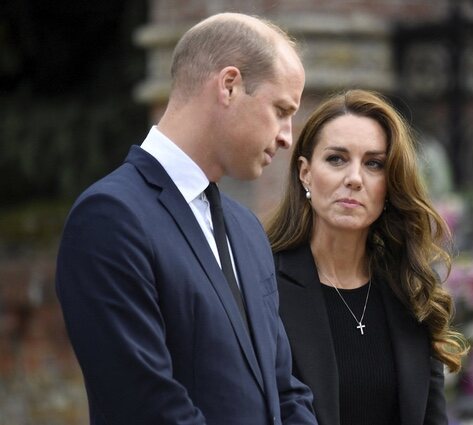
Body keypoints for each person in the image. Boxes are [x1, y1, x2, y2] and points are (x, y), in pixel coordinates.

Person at [55, 13, 316, 425]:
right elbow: (145, 406)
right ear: (229, 85)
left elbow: (285, 389)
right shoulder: (110, 218)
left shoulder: (247, 229)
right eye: (281, 110)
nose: (287, 136)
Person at [265, 89, 469, 425]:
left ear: (389, 185)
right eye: (336, 159)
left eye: (374, 164)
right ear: (305, 173)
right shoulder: (264, 283)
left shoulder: (410, 287)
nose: (354, 179)